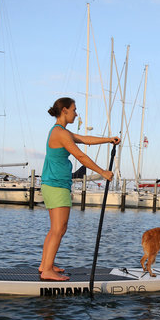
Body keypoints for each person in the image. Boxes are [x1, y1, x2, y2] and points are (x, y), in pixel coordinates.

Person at [40, 97, 120, 281]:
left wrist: (108, 140)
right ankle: (47, 271)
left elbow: (85, 139)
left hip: (53, 184)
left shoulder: (61, 132)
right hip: (56, 185)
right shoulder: (61, 134)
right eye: (74, 110)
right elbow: (80, 156)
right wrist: (102, 172)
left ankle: (46, 265)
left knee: (55, 229)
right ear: (65, 110)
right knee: (60, 229)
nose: (77, 113)